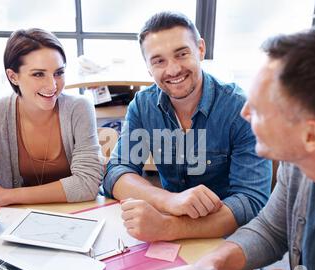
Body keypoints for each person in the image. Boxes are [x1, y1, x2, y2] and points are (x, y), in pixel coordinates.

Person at [169, 27, 315, 270]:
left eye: (260, 108)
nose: (244, 112)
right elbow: (270, 230)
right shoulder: (302, 163)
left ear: (311, 135)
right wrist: (210, 263)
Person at [103, 12, 272, 242]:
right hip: (167, 224)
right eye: (159, 61)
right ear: (148, 67)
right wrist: (169, 201)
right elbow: (117, 172)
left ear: (200, 49)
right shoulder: (143, 106)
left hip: (227, 236)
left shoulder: (240, 110)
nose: (173, 70)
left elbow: (251, 201)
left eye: (182, 54)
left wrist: (169, 228)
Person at [0, 28, 103, 225]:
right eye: (38, 74)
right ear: (13, 77)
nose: (52, 85)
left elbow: (86, 184)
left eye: (58, 73)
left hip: (79, 220)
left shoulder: (79, 108)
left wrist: (9, 195)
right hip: (20, 225)